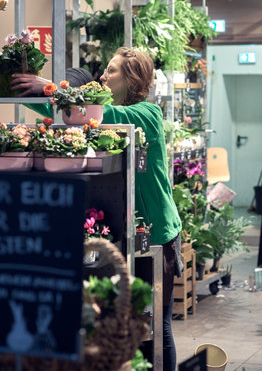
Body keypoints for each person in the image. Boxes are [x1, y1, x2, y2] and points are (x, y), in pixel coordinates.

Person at [11, 48, 183, 371]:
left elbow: (95, 113)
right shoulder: (108, 113)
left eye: (111, 71)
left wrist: (50, 86)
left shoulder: (147, 114)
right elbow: (72, 114)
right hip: (132, 233)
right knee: (129, 323)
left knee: (157, 325)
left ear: (131, 80)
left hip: (158, 235)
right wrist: (27, 94)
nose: (103, 76)